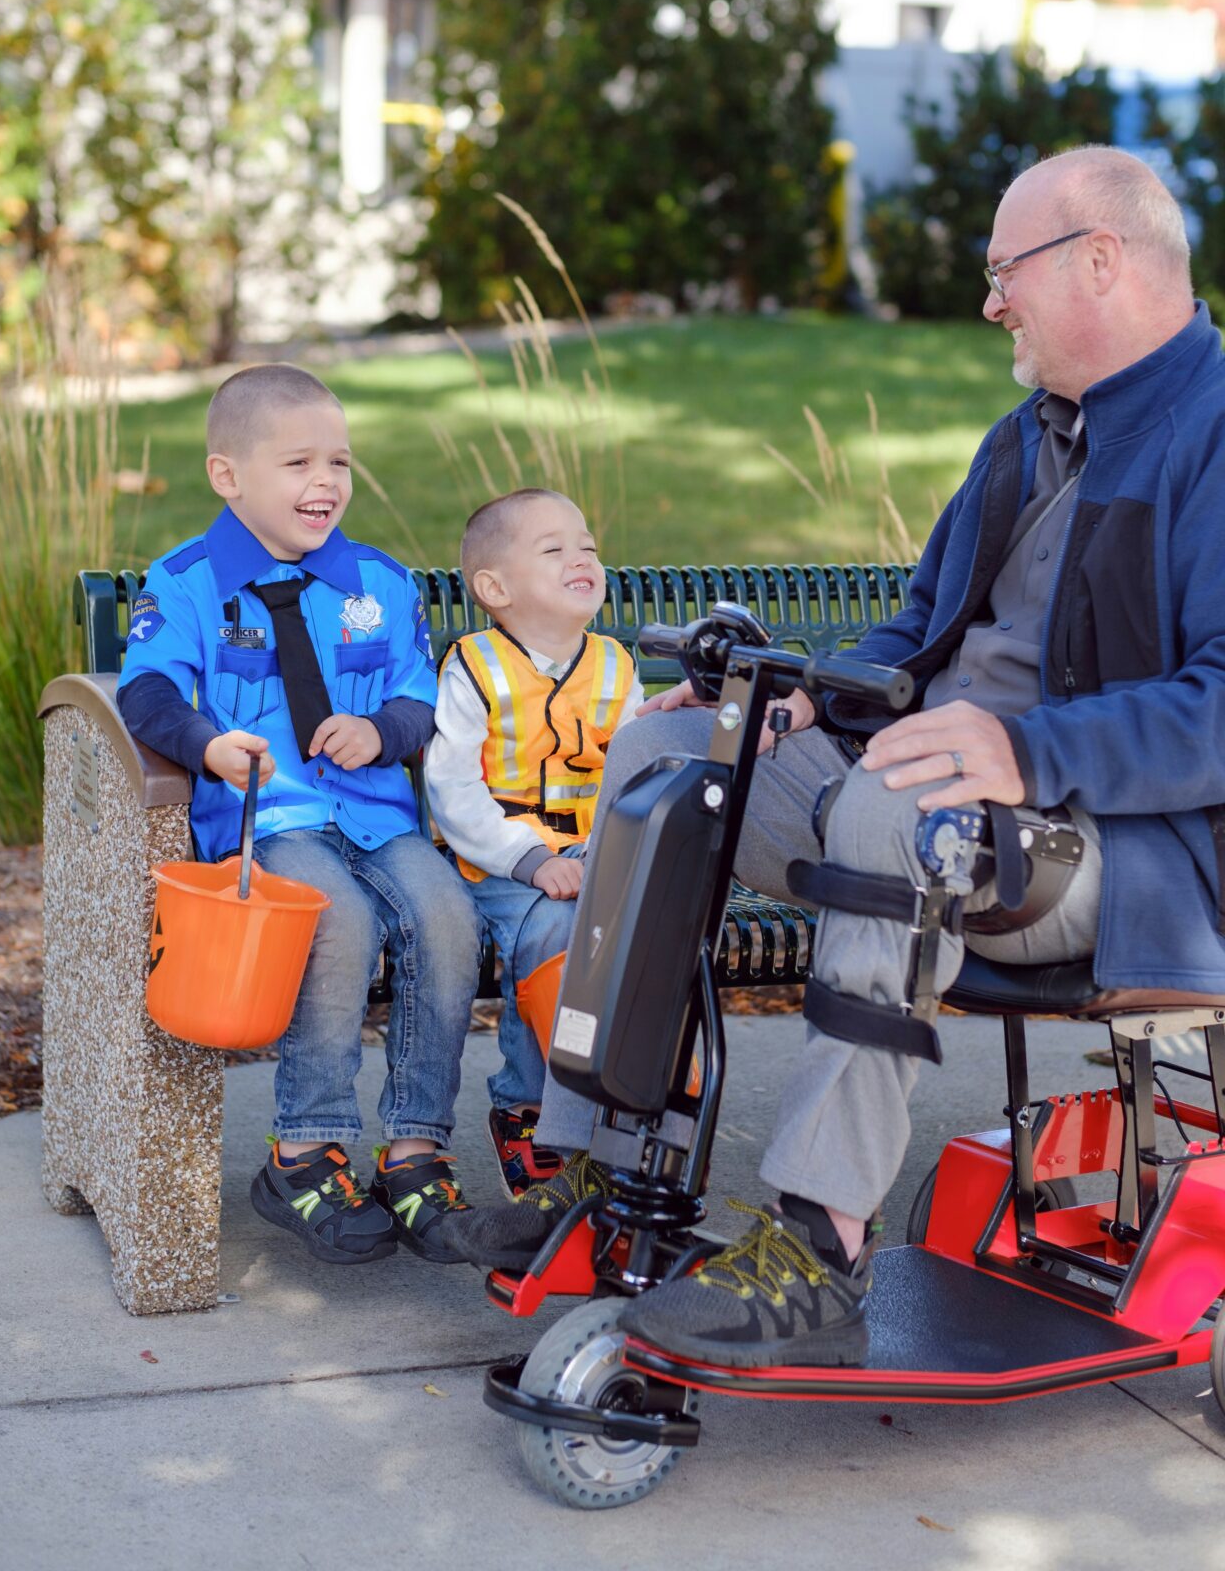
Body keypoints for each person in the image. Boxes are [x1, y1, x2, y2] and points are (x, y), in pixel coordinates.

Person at [439, 145, 1225, 1371]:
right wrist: (808, 699)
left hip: (1125, 857)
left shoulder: (1213, 435)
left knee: (890, 813)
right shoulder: (1023, 441)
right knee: (664, 750)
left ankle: (821, 1239)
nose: (988, 301)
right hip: (947, 804)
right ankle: (596, 1164)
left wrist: (1019, 749)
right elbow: (916, 634)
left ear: (1099, 260)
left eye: (1000, 270)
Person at [118, 364, 482, 1267]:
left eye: (341, 463)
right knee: (336, 921)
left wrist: (381, 729)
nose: (326, 483)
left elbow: (419, 697)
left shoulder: (379, 582)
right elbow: (149, 689)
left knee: (447, 917)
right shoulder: (189, 582)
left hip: (373, 813)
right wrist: (206, 745)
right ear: (228, 475)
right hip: (268, 819)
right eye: (298, 464)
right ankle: (305, 1150)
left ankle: (415, 1149)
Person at [424, 488, 644, 1197]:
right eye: (554, 550)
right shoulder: (476, 666)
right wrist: (530, 859)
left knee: (641, 931)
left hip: (594, 855)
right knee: (550, 932)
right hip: (498, 863)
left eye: (587, 547)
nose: (581, 558)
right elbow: (452, 790)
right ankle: (527, 1104)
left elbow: (639, 772)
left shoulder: (614, 664)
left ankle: (627, 1098)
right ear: (496, 588)